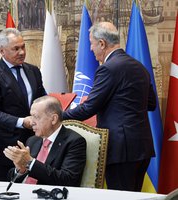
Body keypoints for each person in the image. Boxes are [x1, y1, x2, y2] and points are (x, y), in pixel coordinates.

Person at [63, 22, 156, 191]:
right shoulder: (140, 67)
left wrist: (58, 116)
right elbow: (151, 104)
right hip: (142, 146)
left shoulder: (108, 68)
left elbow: (88, 108)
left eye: (91, 43)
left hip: (120, 149)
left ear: (102, 43)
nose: (91, 49)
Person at [0, 28, 46, 181]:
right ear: (2, 51)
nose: (21, 52)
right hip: (1, 151)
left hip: (31, 147)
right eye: (16, 49)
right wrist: (23, 122)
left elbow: (41, 99)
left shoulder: (33, 71)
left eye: (23, 47)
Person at [4, 96, 86, 186]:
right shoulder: (32, 140)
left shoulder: (74, 141)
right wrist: (21, 170)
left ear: (53, 119)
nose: (31, 122)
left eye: (36, 117)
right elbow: (13, 181)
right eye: (31, 117)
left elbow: (67, 179)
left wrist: (30, 162)